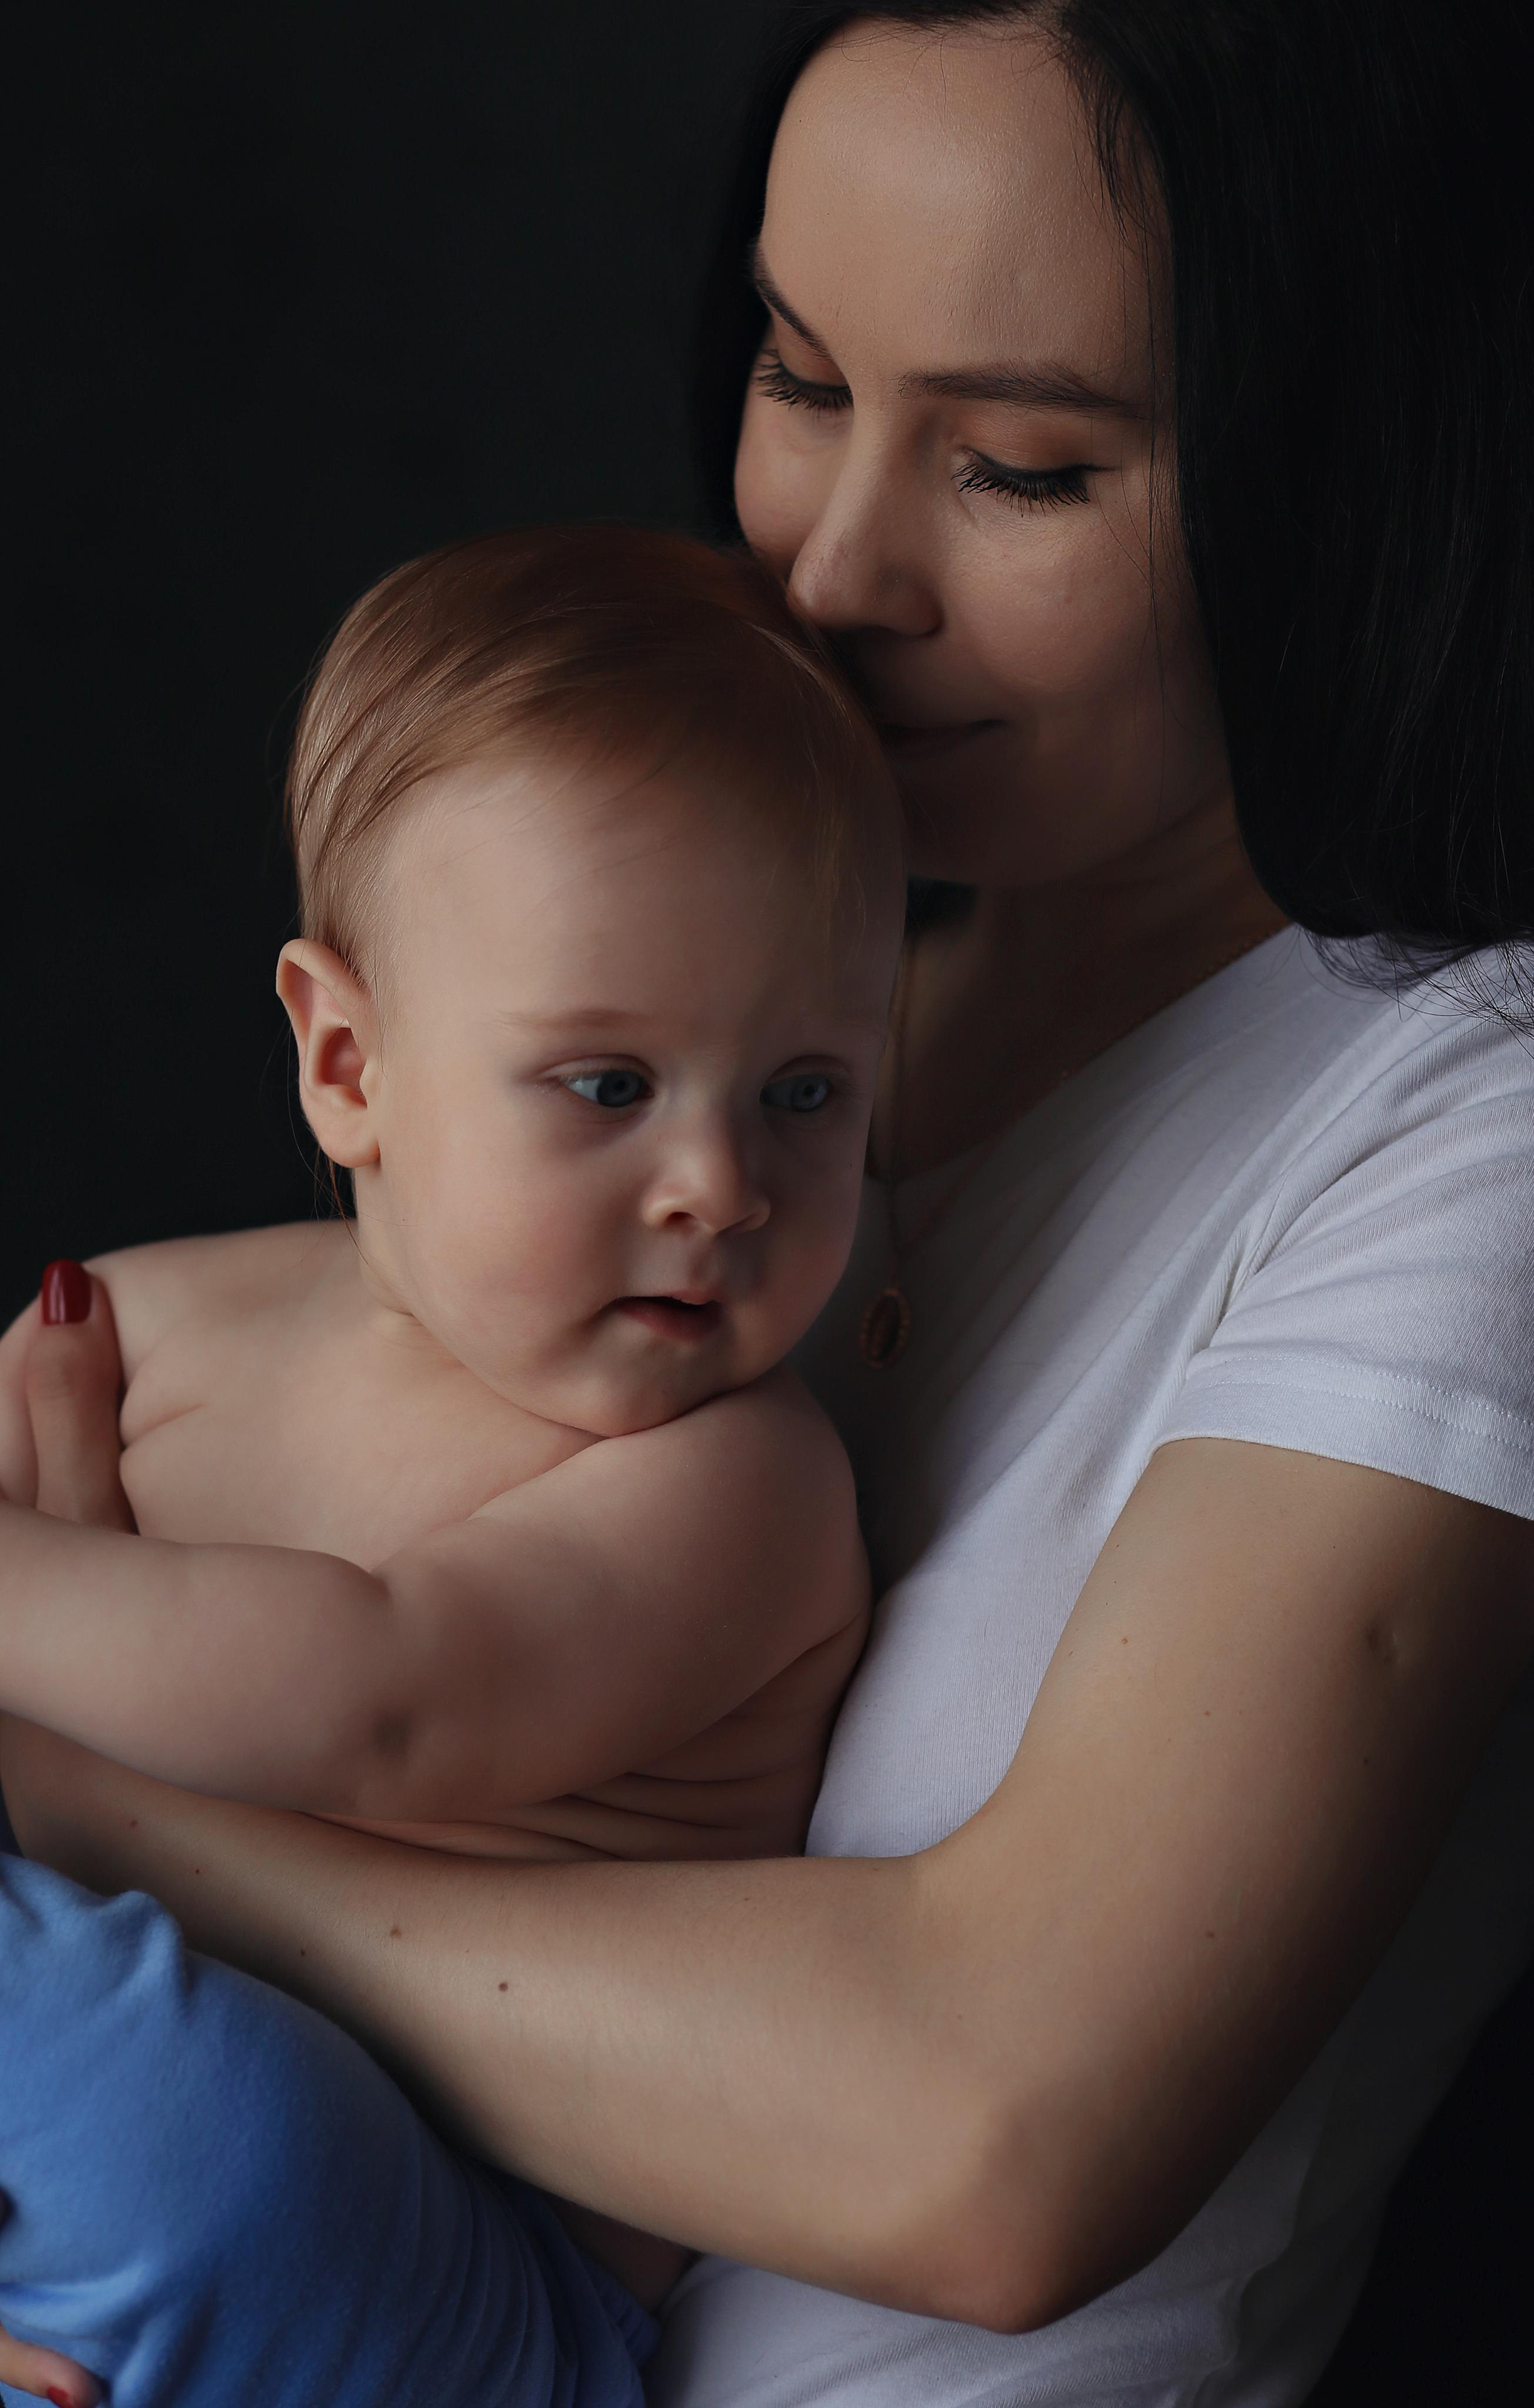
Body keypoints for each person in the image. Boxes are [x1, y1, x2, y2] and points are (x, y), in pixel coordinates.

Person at [5, 2, 1534, 2403]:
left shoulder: (1496, 1125)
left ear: (1354, 467)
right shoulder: (722, 1022)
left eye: (1030, 471)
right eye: (799, 374)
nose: (838, 572)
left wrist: (83, 1824)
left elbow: (990, 2142)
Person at [0, 524, 902, 2405]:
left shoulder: (737, 1485)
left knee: (209, 2109)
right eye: (608, 1086)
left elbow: (387, 1700)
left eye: (806, 1094)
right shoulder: (173, 1327)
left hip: (448, 2275)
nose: (722, 1187)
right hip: (108, 2189)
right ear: (348, 1062)